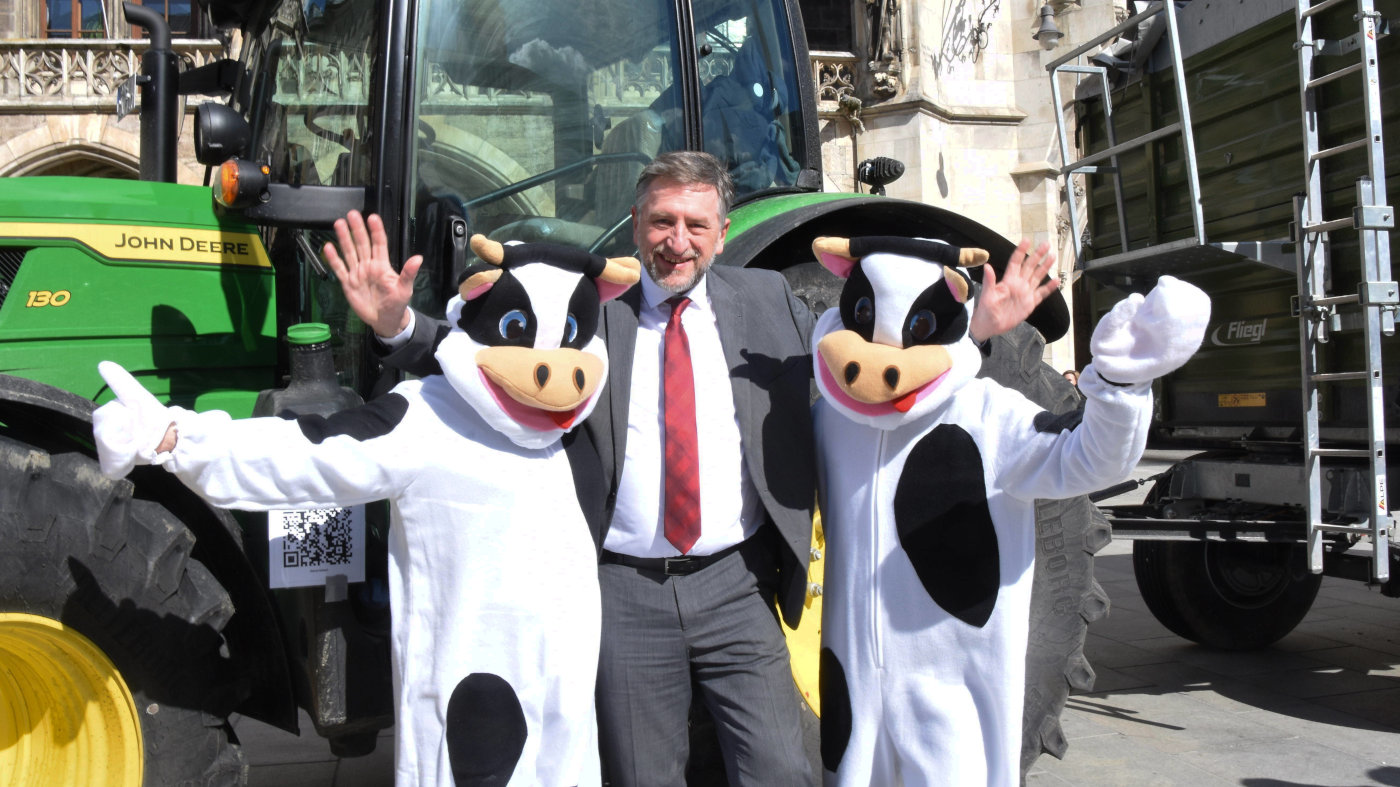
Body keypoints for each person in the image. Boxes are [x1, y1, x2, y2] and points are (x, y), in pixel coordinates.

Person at [324, 151, 1061, 784]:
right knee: (645, 774)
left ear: (721, 235)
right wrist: (397, 326)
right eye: (661, 223)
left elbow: (877, 365)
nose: (677, 242)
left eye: (695, 225)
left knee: (781, 766)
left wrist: (983, 330)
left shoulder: (768, 297)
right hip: (625, 590)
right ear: (637, 226)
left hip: (737, 586)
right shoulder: (592, 314)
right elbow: (490, 359)